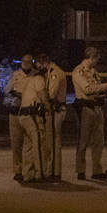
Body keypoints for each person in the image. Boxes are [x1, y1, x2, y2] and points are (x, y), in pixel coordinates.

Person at [71, 46, 107, 180]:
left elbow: (98, 90)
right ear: (91, 58)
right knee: (83, 141)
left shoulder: (94, 72)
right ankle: (81, 170)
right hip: (85, 108)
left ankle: (97, 170)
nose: (97, 62)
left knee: (98, 141)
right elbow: (88, 89)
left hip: (97, 108)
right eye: (97, 59)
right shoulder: (78, 71)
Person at [15, 55, 48, 183]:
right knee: (39, 143)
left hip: (23, 115)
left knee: (28, 146)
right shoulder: (39, 78)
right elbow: (42, 94)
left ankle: (28, 174)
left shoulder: (30, 79)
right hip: (31, 115)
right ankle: (41, 173)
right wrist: (48, 107)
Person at [36, 53, 68, 182]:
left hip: (56, 110)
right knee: (51, 141)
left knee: (53, 142)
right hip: (54, 110)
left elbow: (52, 94)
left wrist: (41, 98)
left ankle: (55, 173)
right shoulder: (50, 72)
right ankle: (52, 171)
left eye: (39, 65)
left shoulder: (55, 73)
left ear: (44, 62)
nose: (38, 68)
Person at [3, 56, 30, 182]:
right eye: (24, 61)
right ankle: (18, 170)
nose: (26, 64)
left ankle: (30, 170)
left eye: (29, 62)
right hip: (15, 111)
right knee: (16, 143)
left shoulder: (36, 76)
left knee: (30, 144)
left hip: (29, 112)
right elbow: (7, 90)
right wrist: (17, 93)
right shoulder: (16, 75)